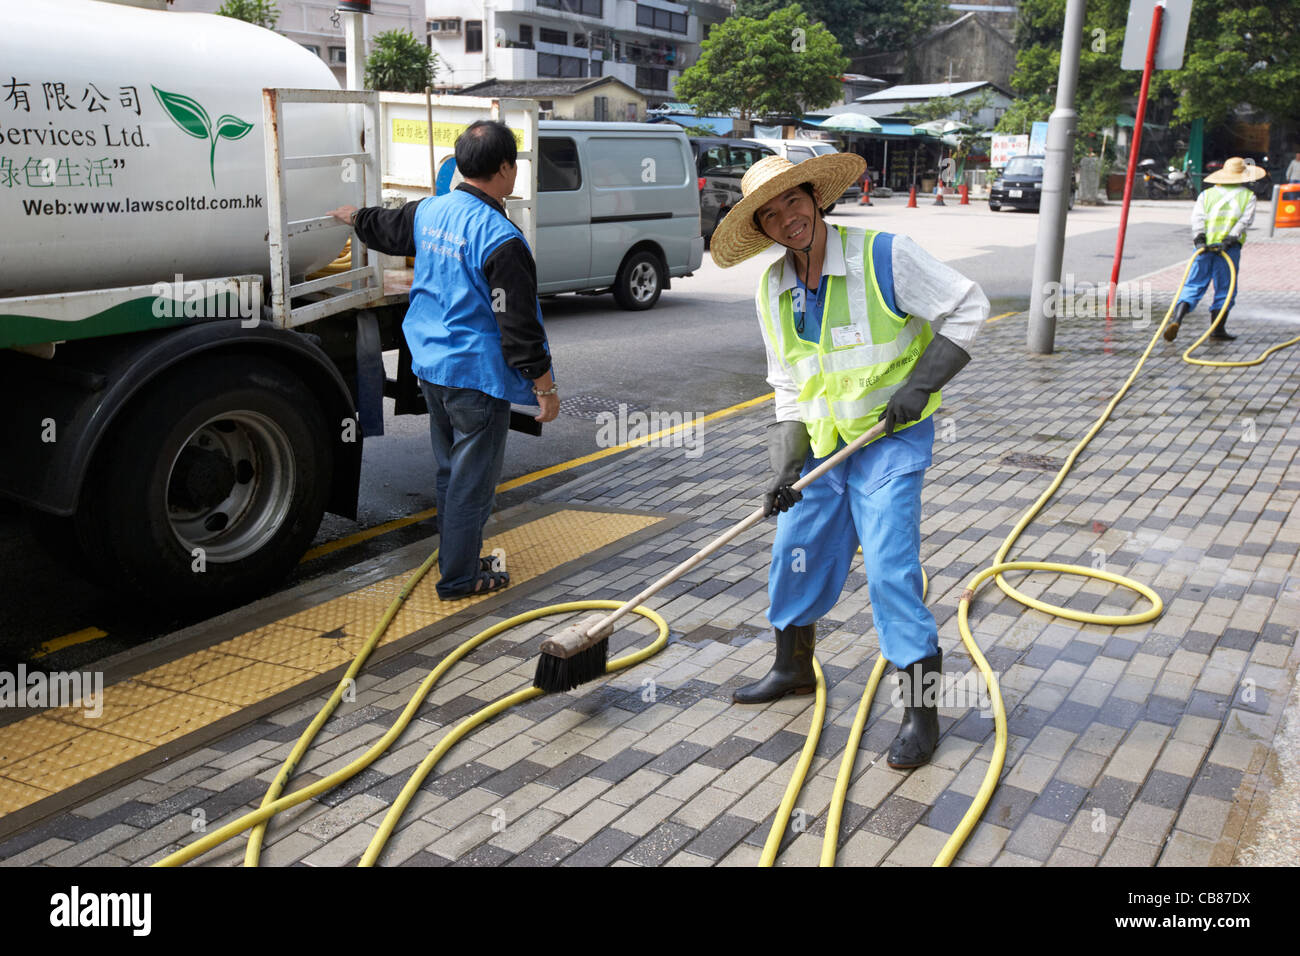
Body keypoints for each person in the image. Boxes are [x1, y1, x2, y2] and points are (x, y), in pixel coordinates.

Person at [709, 154, 988, 770]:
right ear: (762, 226)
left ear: (816, 196)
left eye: (794, 201)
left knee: (890, 569)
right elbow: (787, 383)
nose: (788, 218)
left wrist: (920, 385)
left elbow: (968, 307)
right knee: (794, 546)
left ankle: (921, 712)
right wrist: (784, 467)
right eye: (771, 213)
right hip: (823, 449)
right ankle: (792, 668)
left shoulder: (883, 255)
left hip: (889, 441)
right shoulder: (774, 288)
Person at [327, 120, 559, 599]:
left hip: (432, 367)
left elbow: (386, 228)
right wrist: (545, 388)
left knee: (451, 472)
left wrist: (354, 217)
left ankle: (459, 555)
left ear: (461, 164)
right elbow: (518, 326)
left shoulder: (430, 211)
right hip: (475, 377)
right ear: (504, 169)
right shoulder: (500, 237)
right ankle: (459, 576)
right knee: (472, 482)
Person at [1164, 156, 1265, 343]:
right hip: (1228, 249)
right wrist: (1228, 240)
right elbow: (1244, 222)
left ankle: (1177, 319)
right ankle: (1217, 330)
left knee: (1193, 285)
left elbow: (1197, 218)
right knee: (1225, 290)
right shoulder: (1248, 196)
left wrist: (1200, 239)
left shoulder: (1206, 195)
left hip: (1203, 248)